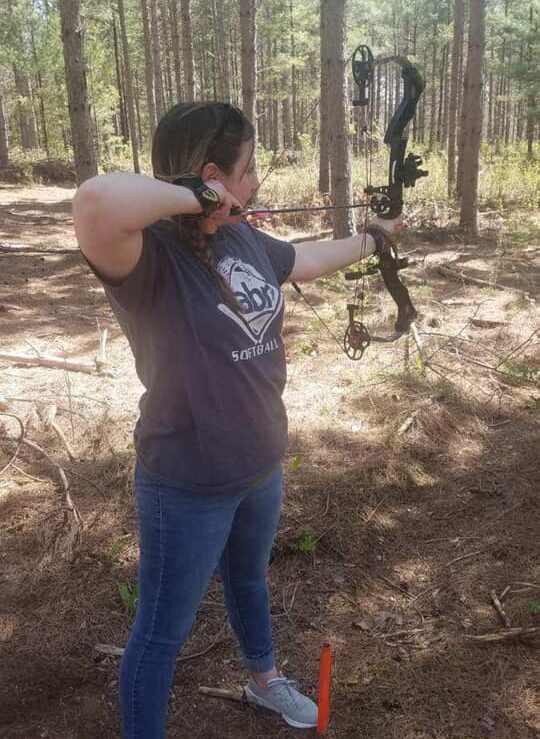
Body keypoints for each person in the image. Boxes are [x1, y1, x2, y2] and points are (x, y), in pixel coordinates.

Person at [72, 101, 403, 739]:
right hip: (187, 483)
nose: (255, 185)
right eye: (246, 171)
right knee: (162, 632)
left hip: (259, 464)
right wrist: (200, 196)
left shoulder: (242, 236)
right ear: (211, 175)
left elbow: (299, 260)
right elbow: (93, 200)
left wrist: (373, 238)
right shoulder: (148, 257)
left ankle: (264, 680)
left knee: (248, 576)